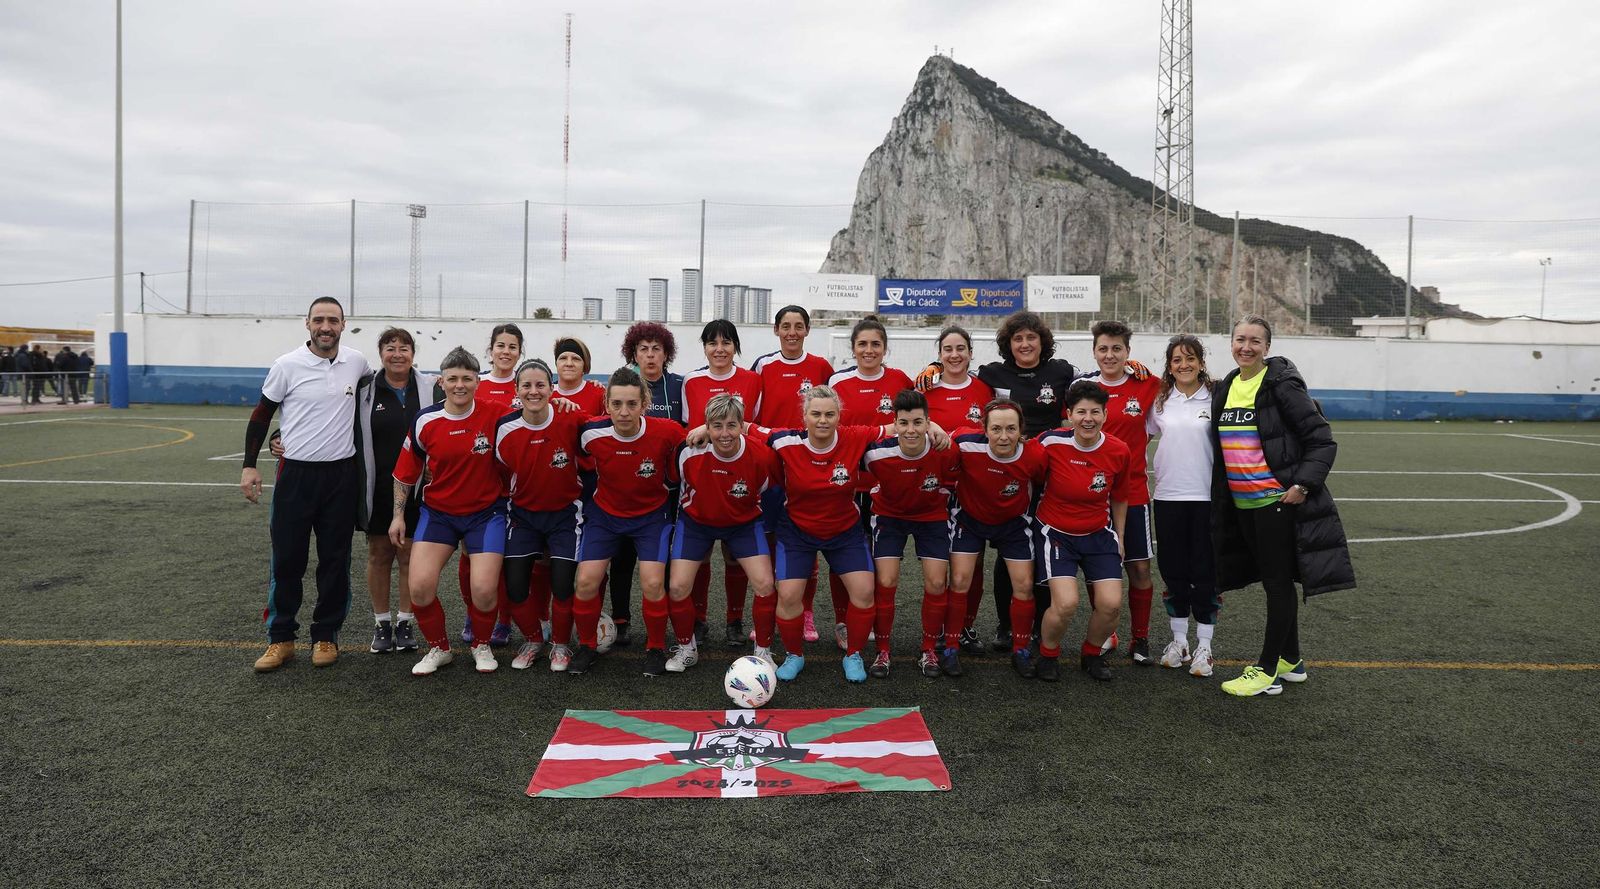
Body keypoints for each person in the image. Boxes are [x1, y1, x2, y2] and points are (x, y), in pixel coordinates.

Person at [1212, 316, 1356, 697]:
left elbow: (1321, 439)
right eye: (1240, 339)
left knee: (1277, 584)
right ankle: (1291, 660)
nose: (1246, 347)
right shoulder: (1227, 385)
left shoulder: (1280, 385)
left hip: (1275, 502)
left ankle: (1267, 671)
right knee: (1273, 581)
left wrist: (1303, 484)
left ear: (1267, 346)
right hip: (1243, 505)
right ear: (1231, 343)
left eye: (1255, 341)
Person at [926, 312, 1077, 653]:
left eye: (1031, 338)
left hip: (1044, 469)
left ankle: (1036, 624)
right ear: (1008, 344)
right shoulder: (992, 374)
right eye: (1017, 339)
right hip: (1002, 468)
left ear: (1042, 341)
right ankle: (1006, 625)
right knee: (1006, 549)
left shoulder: (1062, 371)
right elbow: (954, 371)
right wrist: (932, 368)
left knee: (1034, 549)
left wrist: (1129, 365)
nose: (1025, 344)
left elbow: (1093, 386)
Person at [242, 297, 369, 672]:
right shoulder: (287, 365)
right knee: (287, 560)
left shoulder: (358, 363)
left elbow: (372, 401)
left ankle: (326, 636)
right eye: (319, 320)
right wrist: (250, 465)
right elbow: (262, 415)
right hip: (295, 476)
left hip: (340, 478)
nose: (325, 326)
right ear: (307, 324)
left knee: (334, 561)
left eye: (332, 320)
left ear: (344, 324)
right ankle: (280, 639)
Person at [390, 347, 507, 677]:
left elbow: (535, 411)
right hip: (438, 514)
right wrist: (398, 515)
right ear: (442, 382)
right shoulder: (426, 420)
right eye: (453, 379)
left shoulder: (497, 415)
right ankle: (439, 648)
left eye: (467, 379)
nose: (460, 385)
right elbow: (404, 473)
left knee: (484, 589)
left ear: (477, 381)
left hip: (486, 514)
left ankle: (480, 644)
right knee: (420, 587)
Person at [573, 366, 686, 676]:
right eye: (617, 404)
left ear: (644, 404)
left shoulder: (667, 431)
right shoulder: (591, 432)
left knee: (652, 582)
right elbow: (575, 449)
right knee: (585, 581)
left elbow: (691, 443)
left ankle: (655, 647)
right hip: (605, 516)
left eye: (632, 404)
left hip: (651, 517)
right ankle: (586, 645)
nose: (624, 412)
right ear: (607, 404)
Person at [668, 393, 777, 671]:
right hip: (696, 523)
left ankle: (763, 652)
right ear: (706, 427)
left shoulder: (761, 455)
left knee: (765, 583)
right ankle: (686, 648)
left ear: (742, 425)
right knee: (678, 586)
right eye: (716, 426)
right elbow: (673, 481)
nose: (724, 433)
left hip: (743, 523)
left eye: (731, 425)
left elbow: (764, 487)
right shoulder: (689, 452)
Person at [825, 316, 915, 652]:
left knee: (879, 559)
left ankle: (874, 618)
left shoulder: (900, 381)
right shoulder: (838, 382)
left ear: (885, 348)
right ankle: (843, 620)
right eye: (862, 344)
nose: (869, 350)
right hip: (847, 485)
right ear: (852, 348)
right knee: (843, 556)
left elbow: (915, 421)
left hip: (886, 485)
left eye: (875, 344)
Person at [1034, 381, 1135, 682]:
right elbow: (1026, 468)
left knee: (1110, 604)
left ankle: (1090, 654)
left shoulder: (1119, 450)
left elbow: (1119, 496)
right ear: (1069, 414)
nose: (1087, 418)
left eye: (1095, 412)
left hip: (1098, 534)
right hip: (1056, 533)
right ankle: (1048, 654)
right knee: (1066, 603)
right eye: (1081, 412)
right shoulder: (1050, 442)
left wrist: (1119, 537)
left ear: (1105, 414)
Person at [496, 358, 589, 672]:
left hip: (566, 515)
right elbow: (497, 471)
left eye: (540, 385)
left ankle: (561, 646)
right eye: (527, 385)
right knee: (516, 586)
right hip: (522, 516)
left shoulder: (571, 418)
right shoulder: (505, 428)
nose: (534, 391)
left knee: (563, 584)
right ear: (516, 389)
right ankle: (534, 639)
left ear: (552, 388)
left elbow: (608, 424)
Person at [750, 305, 835, 643]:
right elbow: (752, 416)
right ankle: (768, 610)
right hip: (773, 466)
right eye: (786, 326)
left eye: (799, 326)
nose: (792, 332)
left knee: (806, 539)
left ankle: (806, 612)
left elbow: (830, 412)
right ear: (776, 330)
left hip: (808, 465)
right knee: (771, 541)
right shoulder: (764, 365)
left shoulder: (820, 367)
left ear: (808, 330)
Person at [946, 399, 1048, 677]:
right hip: (970, 519)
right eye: (997, 429)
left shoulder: (1035, 455)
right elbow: (938, 436)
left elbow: (1041, 481)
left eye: (1011, 429)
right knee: (959, 580)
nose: (1004, 436)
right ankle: (951, 647)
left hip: (1013, 524)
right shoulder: (966, 443)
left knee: (1024, 585)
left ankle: (1021, 650)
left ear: (1021, 430)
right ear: (985, 429)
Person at [1079, 320, 1161, 663]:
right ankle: (1106, 632)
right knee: (1097, 568)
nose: (1109, 355)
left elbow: (1153, 430)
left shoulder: (1149, 385)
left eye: (1117, 348)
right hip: (1092, 496)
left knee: (1139, 568)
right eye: (1103, 348)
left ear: (1128, 352)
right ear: (1094, 352)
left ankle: (1139, 639)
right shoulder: (1082, 387)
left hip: (1134, 494)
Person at [863, 390, 959, 679]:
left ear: (928, 423)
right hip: (889, 517)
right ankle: (883, 651)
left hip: (930, 517)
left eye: (918, 422)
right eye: (903, 423)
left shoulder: (946, 450)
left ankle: (929, 649)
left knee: (936, 582)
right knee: (887, 580)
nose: (911, 430)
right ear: (895, 423)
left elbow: (957, 473)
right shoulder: (876, 453)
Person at [354, 327, 438, 655]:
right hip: (377, 488)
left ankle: (405, 622)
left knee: (408, 556)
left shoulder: (431, 388)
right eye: (391, 348)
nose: (398, 354)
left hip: (418, 489)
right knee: (378, 554)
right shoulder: (364, 391)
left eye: (404, 348)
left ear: (413, 354)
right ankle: (381, 623)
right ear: (381, 354)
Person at [681, 320, 764, 647]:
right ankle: (699, 620)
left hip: (739, 471)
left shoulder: (752, 380)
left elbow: (755, 423)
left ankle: (734, 621)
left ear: (735, 347)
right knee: (699, 555)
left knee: (733, 554)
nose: (719, 349)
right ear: (704, 347)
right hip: (703, 472)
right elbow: (688, 427)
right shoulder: (692, 380)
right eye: (712, 342)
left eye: (726, 342)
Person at [609, 322, 687, 648]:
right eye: (644, 348)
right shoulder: (624, 384)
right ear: (633, 353)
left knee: (665, 560)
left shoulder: (681, 385)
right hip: (627, 488)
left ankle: (672, 619)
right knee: (622, 556)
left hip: (668, 491)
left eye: (657, 348)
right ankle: (621, 620)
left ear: (666, 353)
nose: (650, 354)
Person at [1146, 335, 1219, 677]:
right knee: (1173, 570)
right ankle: (1180, 641)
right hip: (1167, 496)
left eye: (1190, 358)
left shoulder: (1217, 397)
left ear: (1201, 363)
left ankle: (1205, 646)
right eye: (1177, 360)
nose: (1184, 365)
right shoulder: (1160, 401)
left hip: (1205, 498)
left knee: (1204, 572)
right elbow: (1139, 435)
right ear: (1169, 365)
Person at [920, 324, 995, 655]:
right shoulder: (925, 388)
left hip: (973, 486)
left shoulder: (984, 389)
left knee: (971, 563)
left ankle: (965, 625)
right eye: (947, 349)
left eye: (960, 348)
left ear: (970, 352)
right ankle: (936, 629)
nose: (954, 355)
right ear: (939, 354)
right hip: (932, 488)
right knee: (937, 563)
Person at [459, 323, 523, 648]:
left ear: (519, 352)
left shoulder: (526, 386)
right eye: (501, 345)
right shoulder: (476, 384)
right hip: (479, 485)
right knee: (473, 553)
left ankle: (505, 620)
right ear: (491, 349)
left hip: (516, 485)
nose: (506, 352)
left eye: (512, 346)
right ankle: (474, 612)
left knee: (507, 557)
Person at [553, 337, 605, 415]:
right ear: (556, 363)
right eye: (563, 358)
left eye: (576, 359)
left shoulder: (599, 394)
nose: (569, 364)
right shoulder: (545, 394)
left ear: (585, 365)